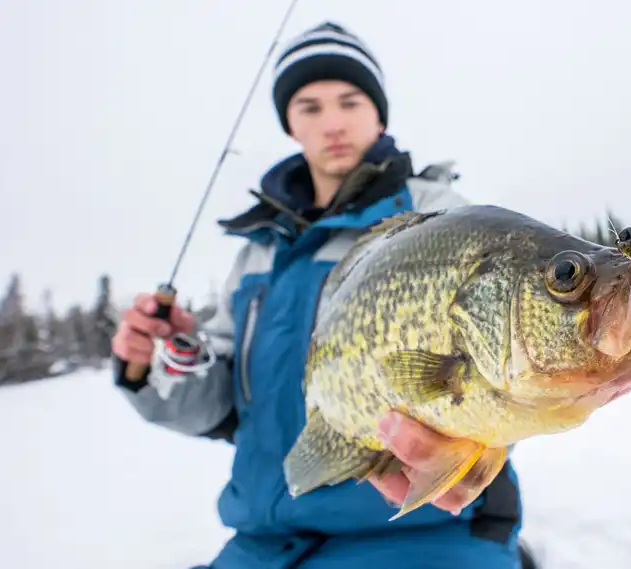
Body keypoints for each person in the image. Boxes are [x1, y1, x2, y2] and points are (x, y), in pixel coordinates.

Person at [111, 21, 538, 569]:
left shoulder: (437, 217)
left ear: (378, 113)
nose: (332, 122)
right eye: (309, 107)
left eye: (350, 101)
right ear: (291, 124)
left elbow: (504, 358)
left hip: (425, 531)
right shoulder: (257, 252)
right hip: (264, 545)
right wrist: (154, 363)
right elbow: (223, 405)